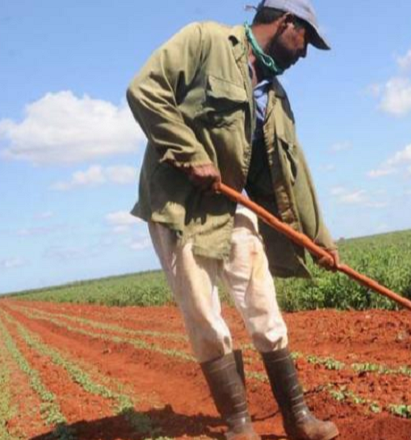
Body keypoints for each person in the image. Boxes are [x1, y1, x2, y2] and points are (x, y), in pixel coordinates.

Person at [126, 1, 339, 439]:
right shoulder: (205, 40)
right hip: (180, 208)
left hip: (232, 206)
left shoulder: (275, 96)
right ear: (286, 23)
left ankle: (298, 418)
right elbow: (145, 90)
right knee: (205, 317)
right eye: (305, 41)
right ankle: (240, 427)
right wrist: (190, 154)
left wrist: (320, 238)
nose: (304, 54)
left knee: (264, 308)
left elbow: (291, 170)